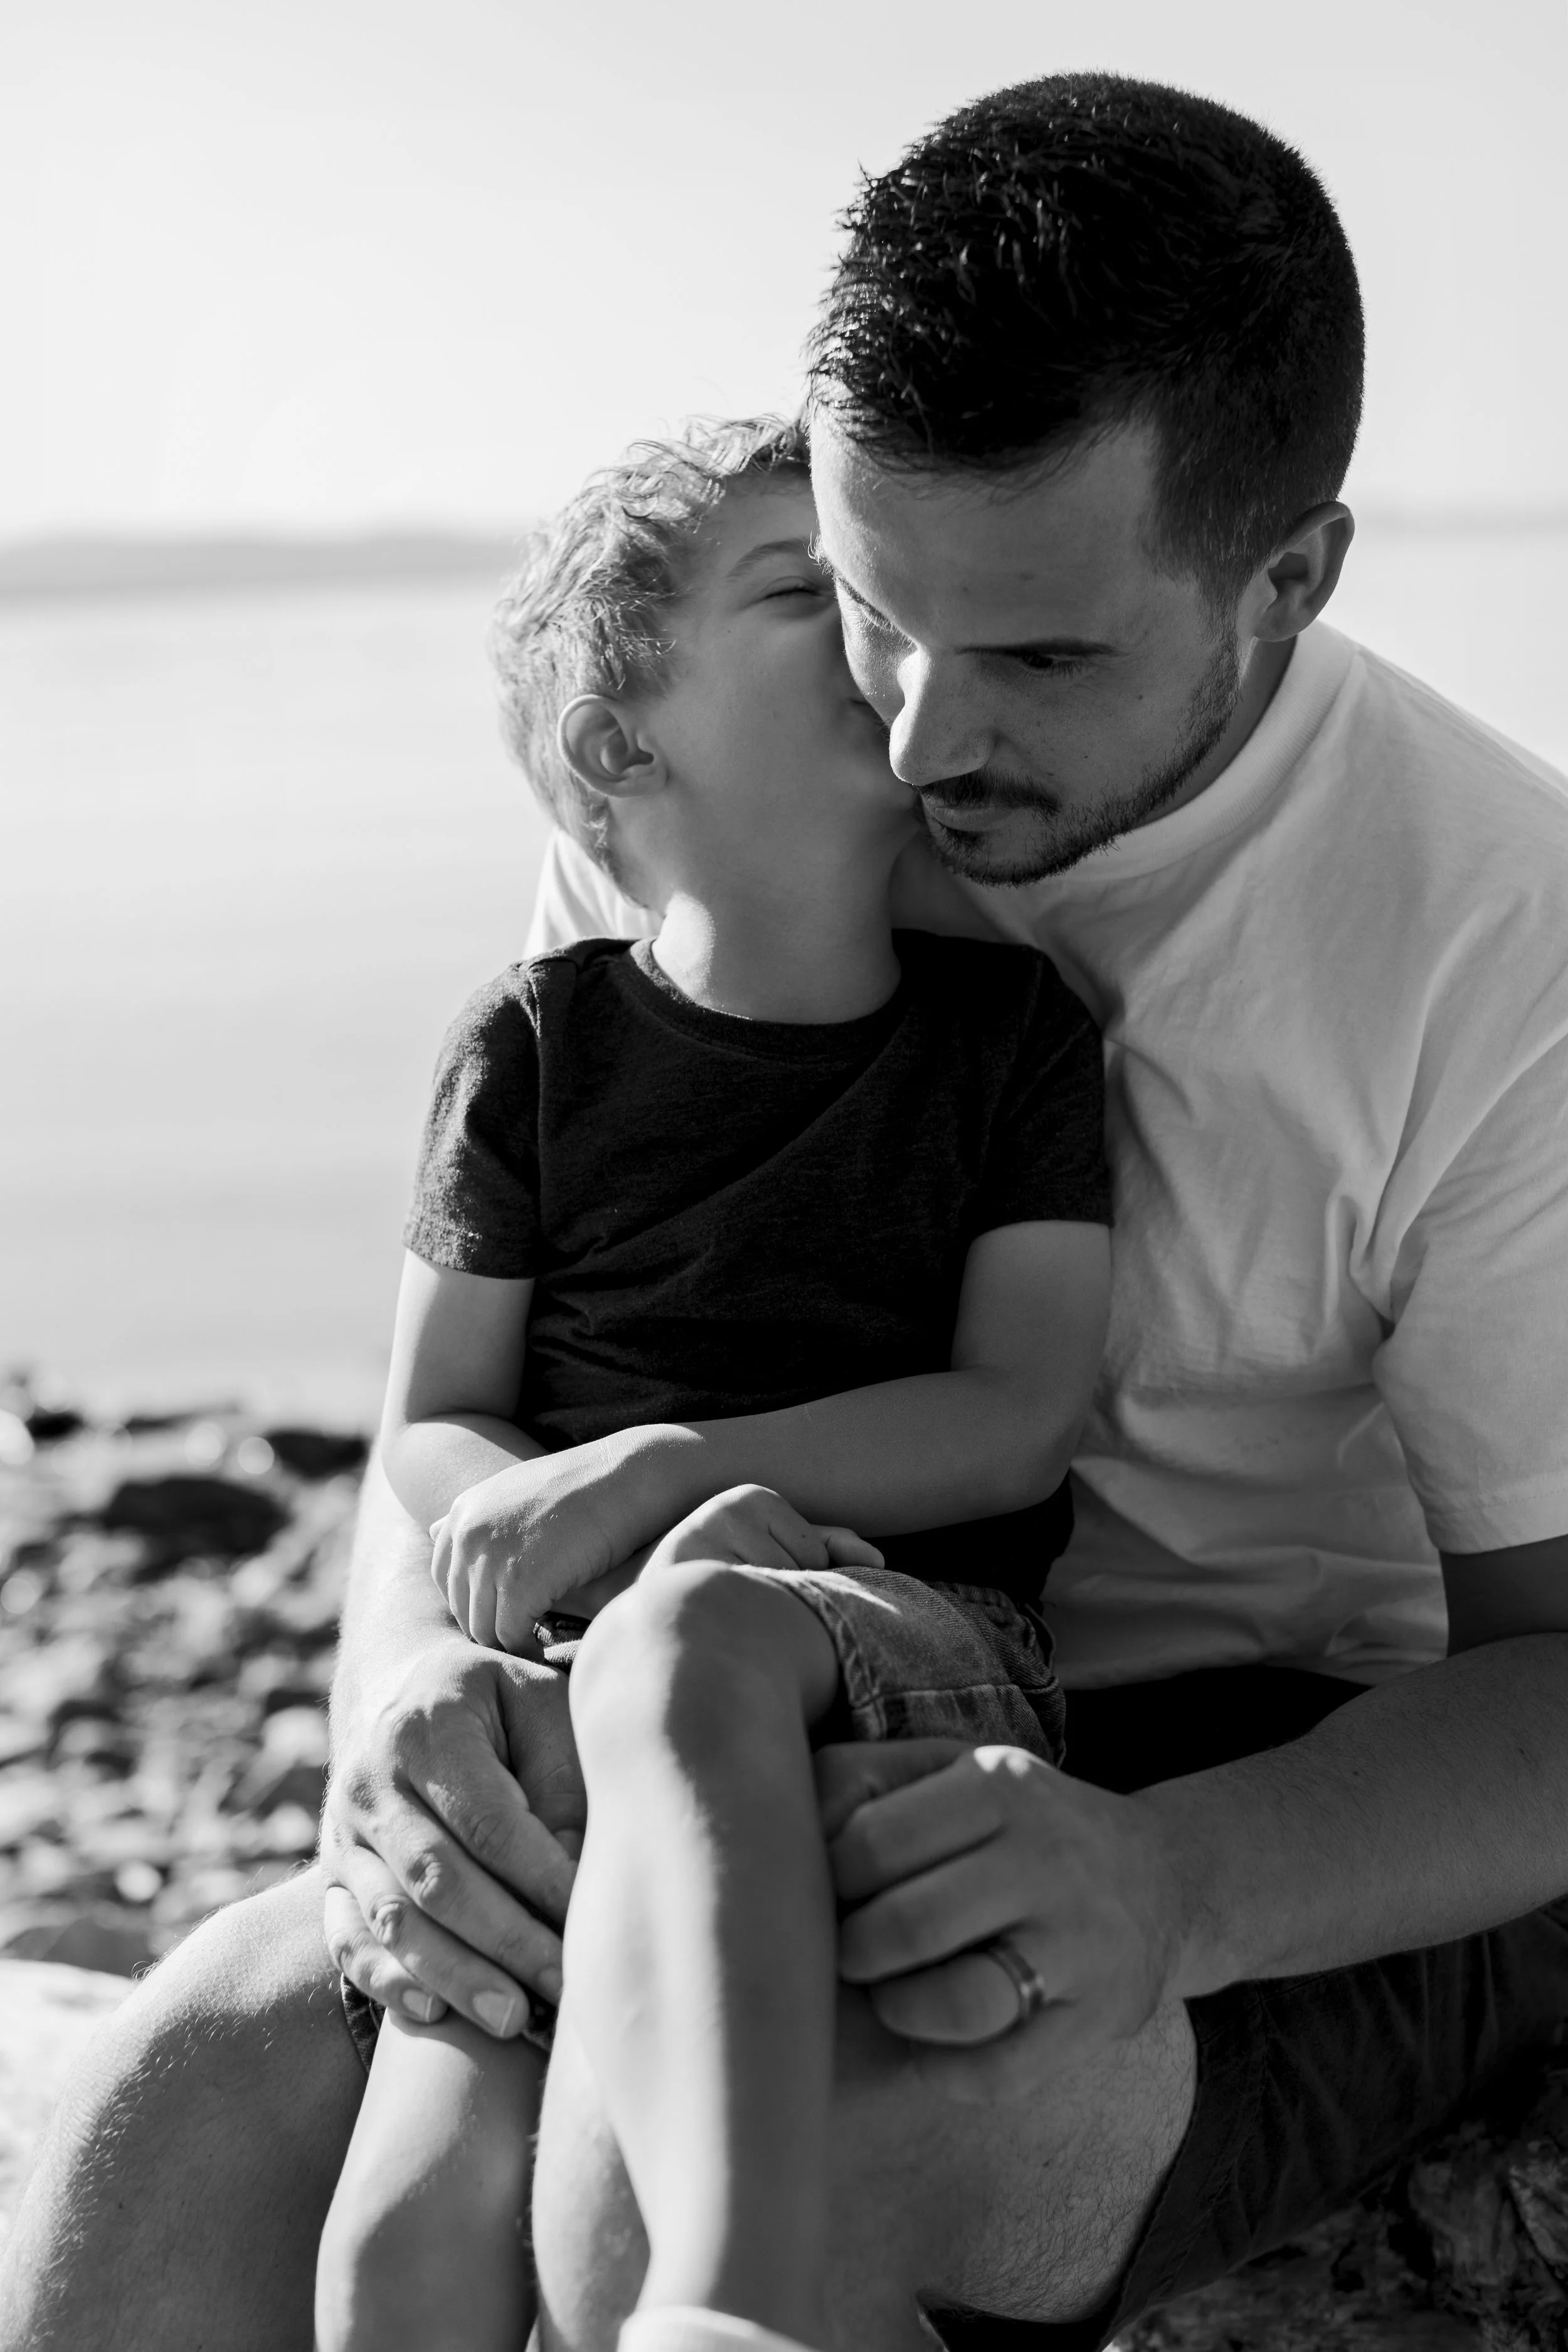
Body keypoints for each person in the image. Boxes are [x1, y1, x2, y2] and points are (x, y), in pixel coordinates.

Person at [6, 70, 1568, 2352]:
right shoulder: (738, 813)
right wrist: (406, 1721)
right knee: (182, 2102)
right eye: (860, 609)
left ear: (1290, 577)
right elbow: (470, 1415)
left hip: (1280, 1777)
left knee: (744, 2179)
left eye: (1038, 653)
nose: (923, 733)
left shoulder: (1494, 936)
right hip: (719, 1721)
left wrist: (1174, 1882)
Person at [312, 417, 1112, 2352]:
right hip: (579, 1649)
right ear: (619, 750)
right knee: (415, 2197)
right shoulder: (533, 1044)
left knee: (702, 1651)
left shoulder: (1008, 1036)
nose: (873, 636)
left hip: (893, 1631)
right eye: (802, 594)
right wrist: (540, 1524)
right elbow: (432, 1415)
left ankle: (726, 2310)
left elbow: (1015, 1409)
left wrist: (673, 1475)